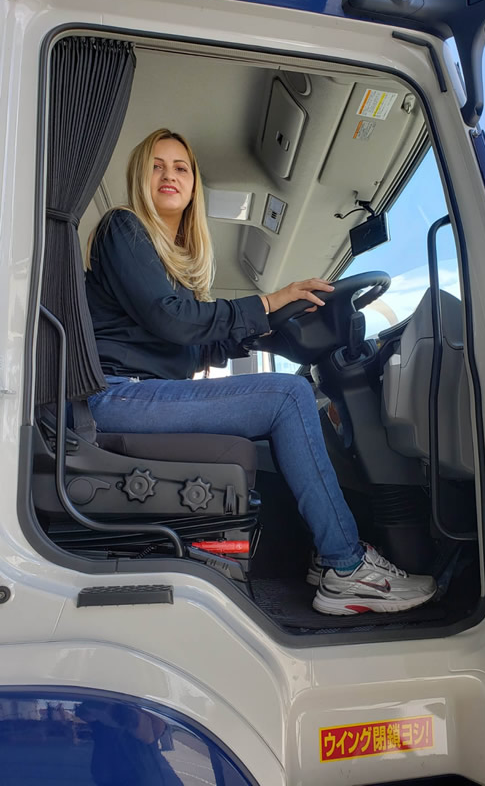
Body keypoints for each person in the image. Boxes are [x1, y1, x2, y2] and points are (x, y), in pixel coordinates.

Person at [84, 128, 436, 615]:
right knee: (290, 395)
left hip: (139, 393)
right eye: (156, 166)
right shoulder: (122, 228)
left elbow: (192, 346)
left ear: (193, 184)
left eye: (181, 167)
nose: (169, 175)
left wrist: (269, 325)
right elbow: (173, 321)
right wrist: (267, 303)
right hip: (115, 396)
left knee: (287, 402)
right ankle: (347, 567)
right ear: (139, 177)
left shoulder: (169, 266)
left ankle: (326, 557)